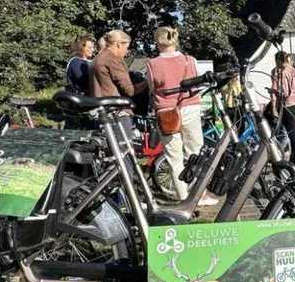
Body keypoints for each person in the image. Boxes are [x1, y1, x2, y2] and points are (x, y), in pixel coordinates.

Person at [147, 26, 218, 206]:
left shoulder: (152, 64)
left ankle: (182, 196)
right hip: (190, 107)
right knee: (196, 152)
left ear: (158, 42)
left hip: (166, 113)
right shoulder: (190, 60)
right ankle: (200, 193)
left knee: (174, 157)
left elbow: (152, 89)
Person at [89, 29, 147, 147]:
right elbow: (129, 90)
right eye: (126, 47)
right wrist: (147, 82)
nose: (126, 51)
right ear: (119, 44)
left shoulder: (96, 59)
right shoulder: (113, 59)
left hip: (102, 111)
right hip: (118, 112)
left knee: (111, 152)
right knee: (124, 152)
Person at [267, 52, 295, 168]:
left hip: (286, 105)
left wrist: (274, 107)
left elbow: (279, 91)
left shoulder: (279, 72)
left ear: (278, 60)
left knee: (285, 133)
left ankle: (286, 158)